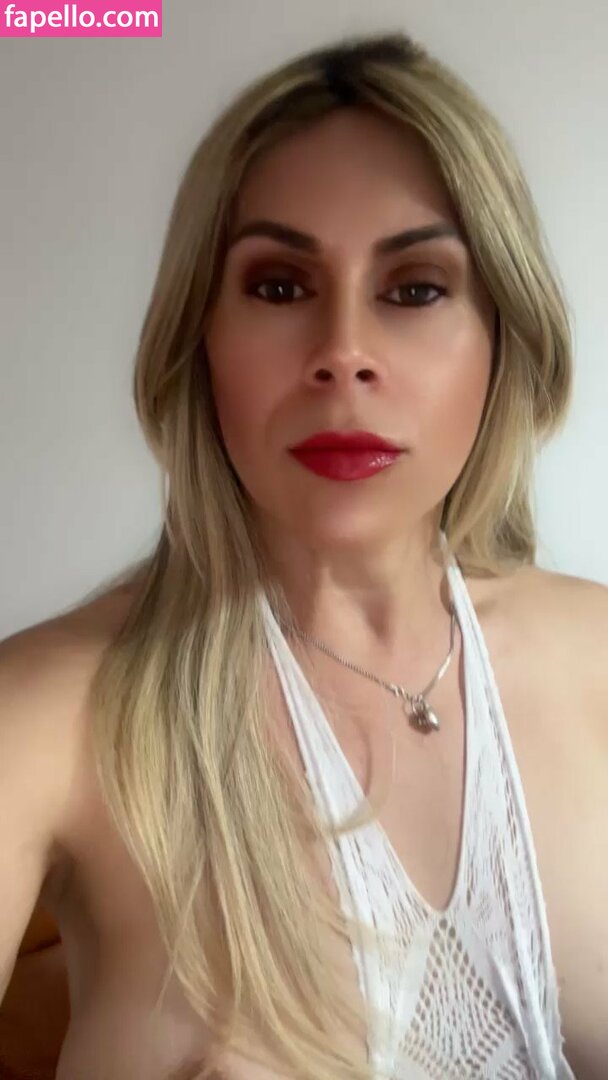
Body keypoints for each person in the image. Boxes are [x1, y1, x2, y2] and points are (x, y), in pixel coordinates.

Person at [0, 28, 606, 1080]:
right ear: (199, 340)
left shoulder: (596, 654)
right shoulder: (49, 715)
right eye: (279, 287)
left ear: (501, 336)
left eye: (414, 288)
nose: (342, 355)